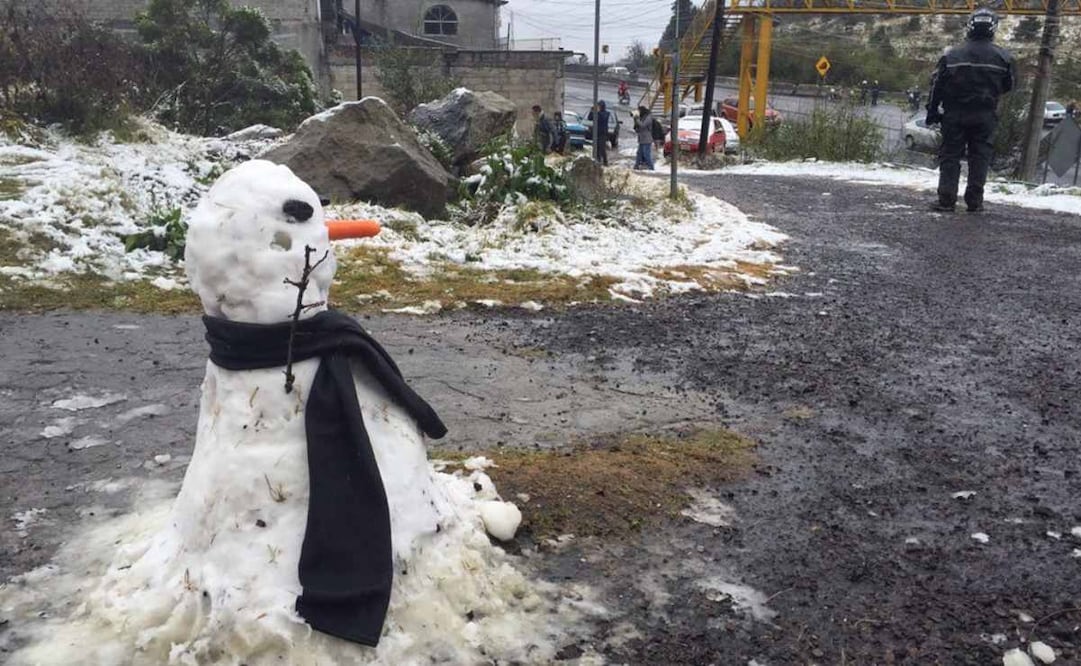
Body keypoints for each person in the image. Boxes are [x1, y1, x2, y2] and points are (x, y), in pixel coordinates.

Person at [926, 8, 1015, 213]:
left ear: (970, 27)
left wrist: (932, 112)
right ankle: (975, 202)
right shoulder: (1004, 57)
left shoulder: (952, 55)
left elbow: (936, 86)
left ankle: (946, 200)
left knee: (950, 155)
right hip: (985, 114)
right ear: (993, 28)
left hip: (954, 113)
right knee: (980, 156)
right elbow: (1009, 85)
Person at [587, 101, 612, 166]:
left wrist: (597, 112)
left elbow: (603, 118)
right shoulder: (596, 113)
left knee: (602, 148)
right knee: (596, 148)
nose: (598, 107)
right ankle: (597, 161)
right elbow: (589, 118)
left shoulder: (606, 113)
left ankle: (605, 162)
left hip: (602, 134)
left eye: (599, 106)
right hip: (596, 133)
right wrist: (591, 111)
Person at [633, 106, 655, 171]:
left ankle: (651, 168)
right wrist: (635, 120)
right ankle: (636, 166)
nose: (638, 112)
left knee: (646, 154)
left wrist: (637, 119)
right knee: (639, 153)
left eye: (639, 111)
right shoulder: (642, 117)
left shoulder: (648, 117)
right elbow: (638, 128)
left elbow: (643, 125)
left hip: (647, 139)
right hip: (641, 139)